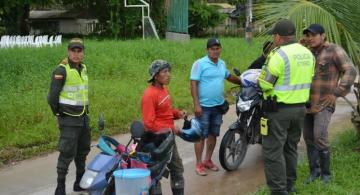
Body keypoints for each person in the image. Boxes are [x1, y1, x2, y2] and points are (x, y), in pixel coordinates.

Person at [258, 19, 315, 194]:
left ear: (278, 36)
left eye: (274, 36)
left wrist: (260, 79)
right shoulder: (308, 54)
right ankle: (290, 186)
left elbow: (265, 84)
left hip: (278, 110)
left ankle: (278, 190)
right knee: (291, 148)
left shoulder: (279, 55)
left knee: (273, 152)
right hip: (300, 111)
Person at [302, 24, 357, 184]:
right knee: (308, 138)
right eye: (307, 35)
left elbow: (351, 70)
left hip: (324, 103)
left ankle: (326, 174)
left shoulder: (334, 50)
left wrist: (337, 92)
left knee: (319, 136)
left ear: (323, 35)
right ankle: (314, 172)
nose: (310, 38)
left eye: (313, 35)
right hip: (306, 104)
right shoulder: (307, 52)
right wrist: (299, 45)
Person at [190, 38, 241, 176]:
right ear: (207, 50)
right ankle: (199, 164)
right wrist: (196, 104)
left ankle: (207, 160)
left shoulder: (222, 64)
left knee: (213, 134)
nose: (215, 51)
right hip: (203, 107)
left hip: (218, 106)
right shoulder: (199, 64)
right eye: (212, 48)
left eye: (217, 48)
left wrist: (243, 81)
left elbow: (229, 76)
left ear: (220, 49)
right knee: (200, 136)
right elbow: (193, 83)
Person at [48, 38, 91, 195]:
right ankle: (60, 188)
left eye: (79, 51)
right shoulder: (61, 70)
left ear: (83, 53)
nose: (76, 54)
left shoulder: (83, 68)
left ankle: (79, 183)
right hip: (69, 119)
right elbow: (52, 97)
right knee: (66, 153)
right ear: (68, 52)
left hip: (83, 118)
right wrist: (59, 114)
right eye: (73, 50)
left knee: (83, 152)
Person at [141, 60, 185, 195]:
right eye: (164, 72)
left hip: (168, 138)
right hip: (157, 141)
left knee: (177, 168)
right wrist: (171, 127)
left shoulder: (164, 89)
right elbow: (149, 123)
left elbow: (165, 113)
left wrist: (177, 114)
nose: (169, 74)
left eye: (168, 71)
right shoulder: (149, 95)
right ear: (155, 75)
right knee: (156, 173)